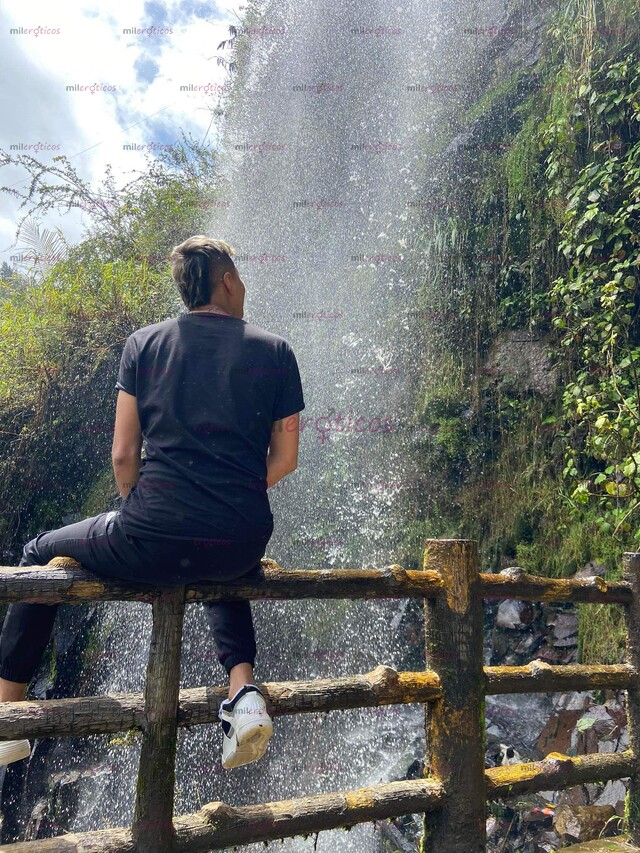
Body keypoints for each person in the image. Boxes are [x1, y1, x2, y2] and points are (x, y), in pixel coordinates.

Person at [0, 236, 305, 771]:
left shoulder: (143, 344)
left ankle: (7, 717)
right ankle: (244, 694)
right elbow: (285, 458)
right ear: (228, 281)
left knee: (37, 551)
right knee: (218, 555)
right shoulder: (277, 351)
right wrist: (227, 489)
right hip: (240, 539)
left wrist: (141, 513)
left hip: (154, 533)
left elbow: (123, 455)